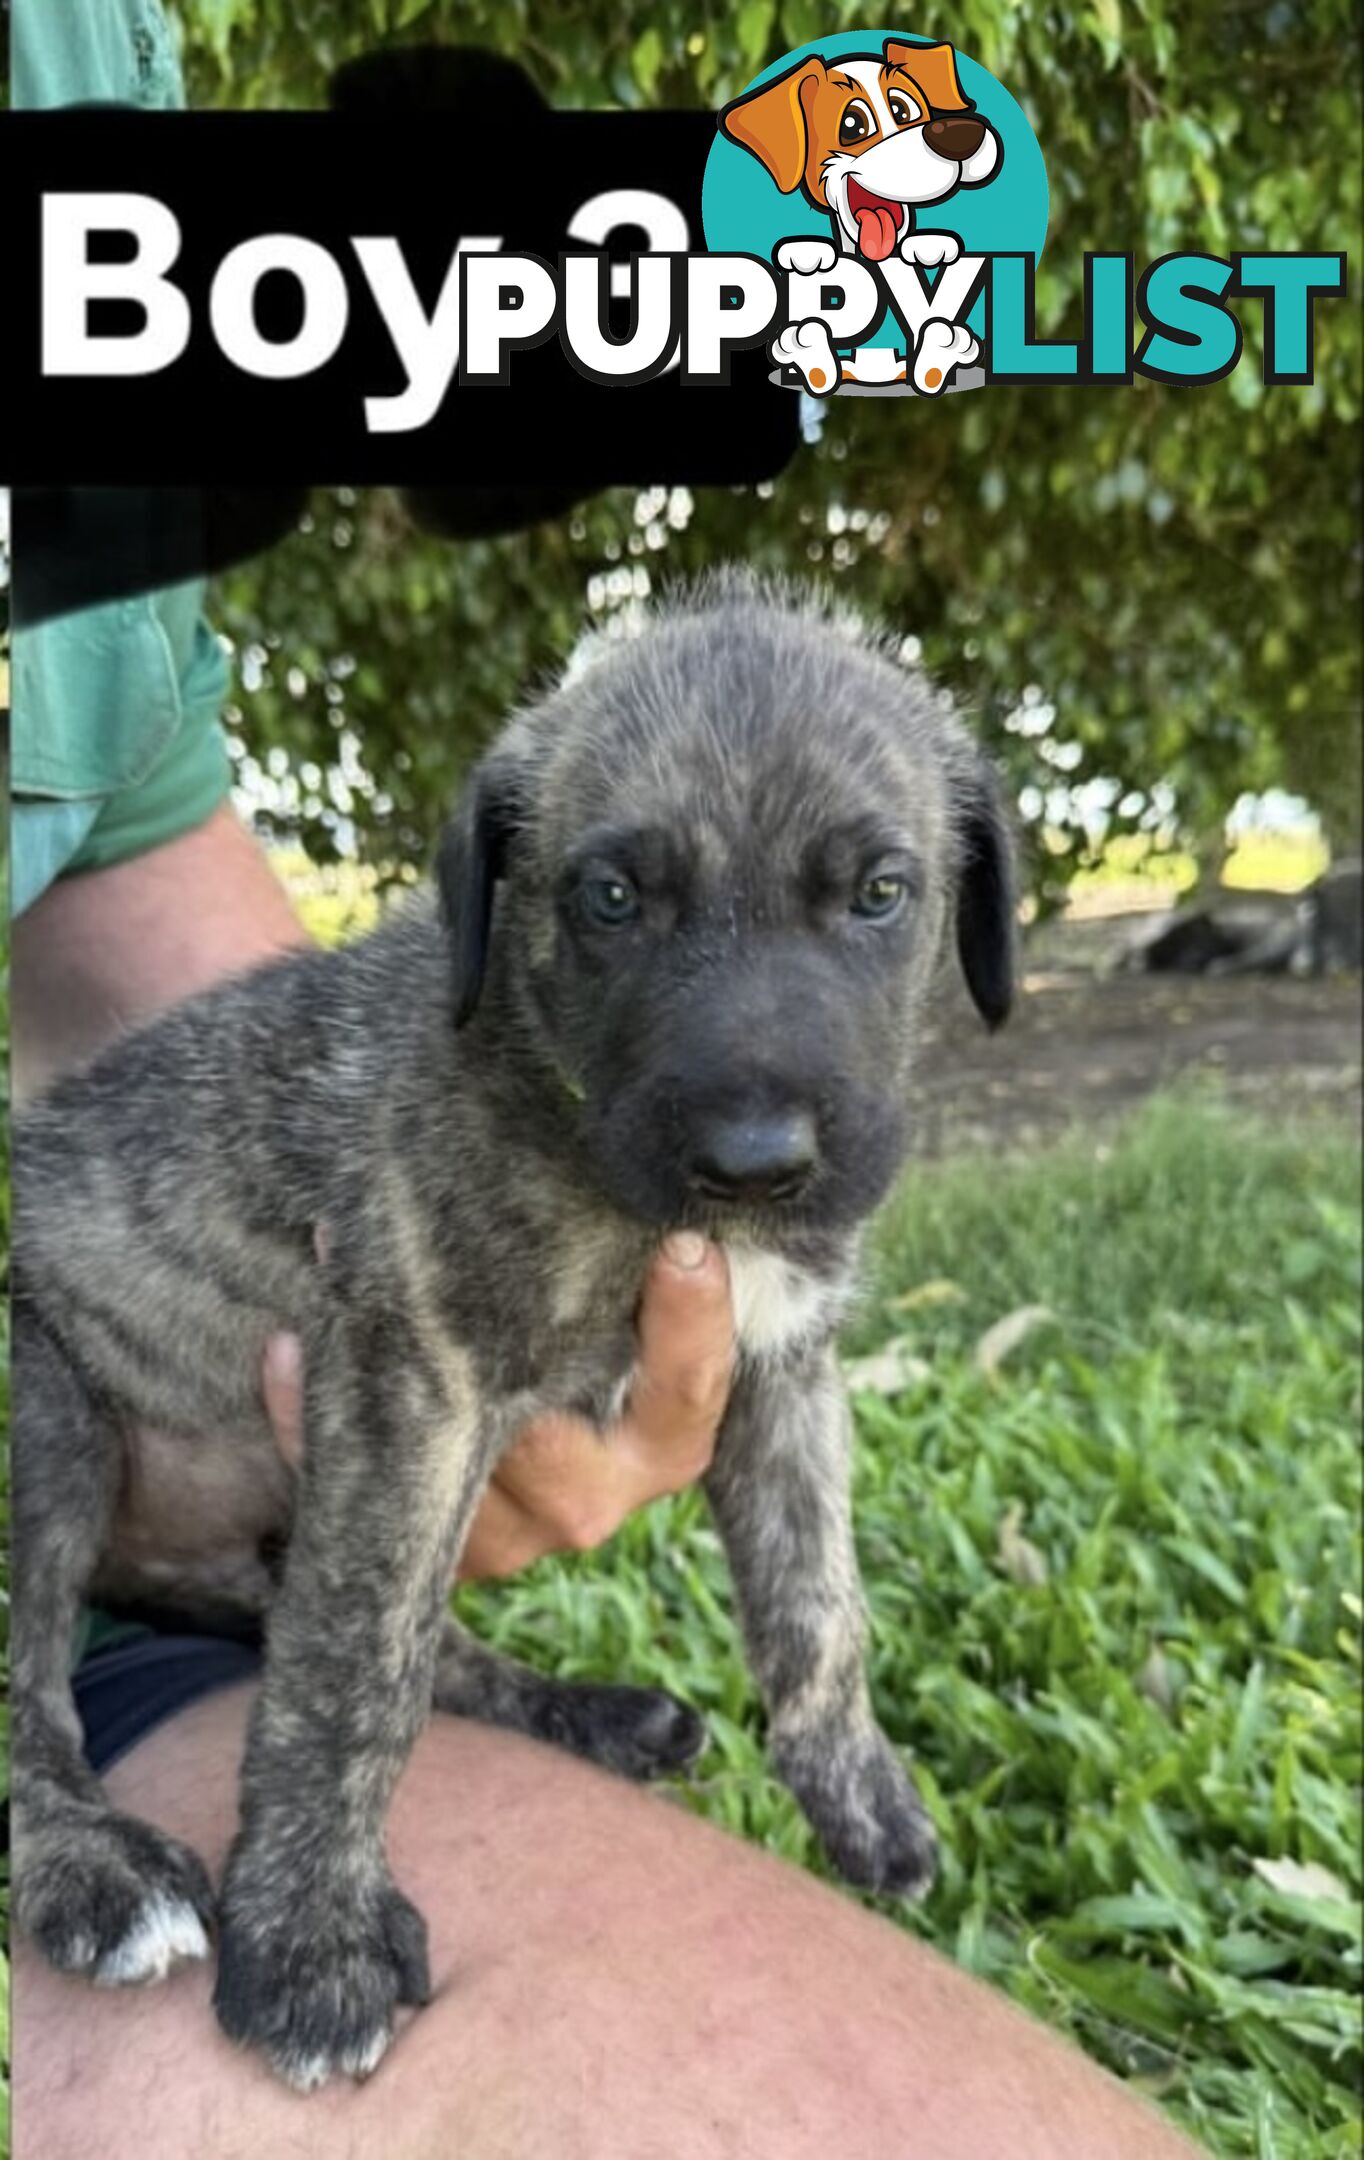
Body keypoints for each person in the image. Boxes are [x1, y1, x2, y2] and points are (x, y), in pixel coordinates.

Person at [9, 6, 1199, 2153]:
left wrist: (823, 1713)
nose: (755, 1097)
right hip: (75, 1414)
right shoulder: (476, 1098)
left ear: (972, 906)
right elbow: (397, 1401)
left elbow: (773, 1373)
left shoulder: (94, 84)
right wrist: (312, 1854)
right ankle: (41, 1794)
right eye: (622, 908)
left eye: (863, 903)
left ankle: (610, 1721)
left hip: (207, 1555)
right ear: (501, 903)